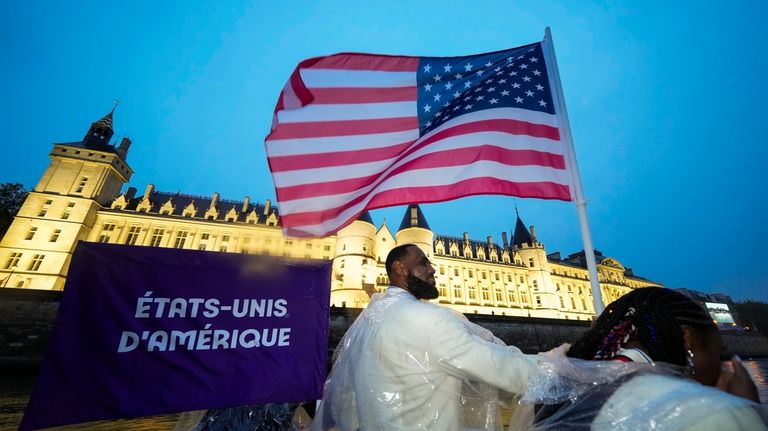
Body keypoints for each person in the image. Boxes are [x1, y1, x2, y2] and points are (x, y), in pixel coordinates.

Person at [311, 244, 537, 431]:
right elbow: (501, 368)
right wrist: (557, 365)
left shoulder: (365, 323)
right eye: (422, 263)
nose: (432, 270)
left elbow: (343, 403)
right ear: (399, 268)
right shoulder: (429, 318)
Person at [517, 287, 767, 430]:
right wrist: (746, 412)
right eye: (718, 351)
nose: (721, 361)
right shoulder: (708, 413)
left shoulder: (571, 392)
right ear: (689, 341)